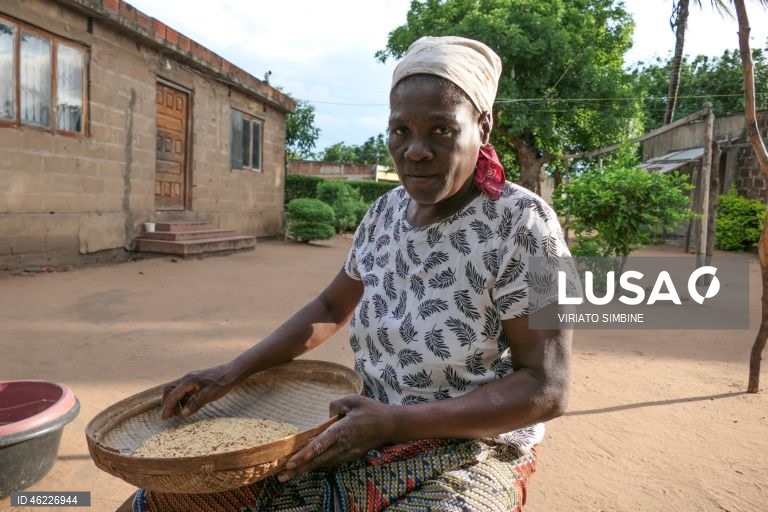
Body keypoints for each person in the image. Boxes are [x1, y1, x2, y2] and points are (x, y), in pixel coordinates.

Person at [119, 35, 573, 512]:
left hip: (472, 447)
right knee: (157, 503)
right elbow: (331, 306)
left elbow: (547, 386)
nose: (415, 151)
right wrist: (230, 373)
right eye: (401, 130)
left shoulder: (525, 223)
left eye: (441, 130)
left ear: (483, 125)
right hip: (361, 424)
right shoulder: (385, 213)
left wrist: (396, 424)